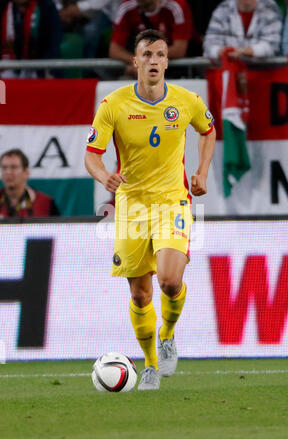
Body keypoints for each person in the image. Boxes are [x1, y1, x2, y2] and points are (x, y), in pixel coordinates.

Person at [85, 29, 216, 390]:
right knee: (140, 294)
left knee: (170, 282)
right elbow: (91, 156)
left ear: (167, 61)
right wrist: (105, 177)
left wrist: (202, 171)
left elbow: (208, 131)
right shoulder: (113, 104)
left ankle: (168, 334)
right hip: (131, 205)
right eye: (147, 55)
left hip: (173, 200)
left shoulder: (187, 100)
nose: (154, 61)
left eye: (160, 54)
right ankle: (150, 365)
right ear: (136, 62)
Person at [109, 0, 192, 77]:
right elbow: (114, 50)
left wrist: (146, 61)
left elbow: (179, 50)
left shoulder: (176, 6)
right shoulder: (126, 7)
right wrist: (137, 62)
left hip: (174, 67)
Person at [0, 0, 62, 77]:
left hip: (38, 67)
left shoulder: (46, 6)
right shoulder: (3, 6)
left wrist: (49, 69)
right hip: (6, 66)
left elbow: (54, 41)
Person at [203, 0, 283, 60]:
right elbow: (210, 45)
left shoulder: (270, 8)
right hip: (229, 70)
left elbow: (272, 46)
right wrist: (223, 52)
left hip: (261, 71)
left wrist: (243, 51)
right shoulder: (223, 8)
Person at [0, 149, 60, 218]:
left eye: (14, 167)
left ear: (26, 172)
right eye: (4, 168)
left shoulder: (46, 203)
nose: (8, 172)